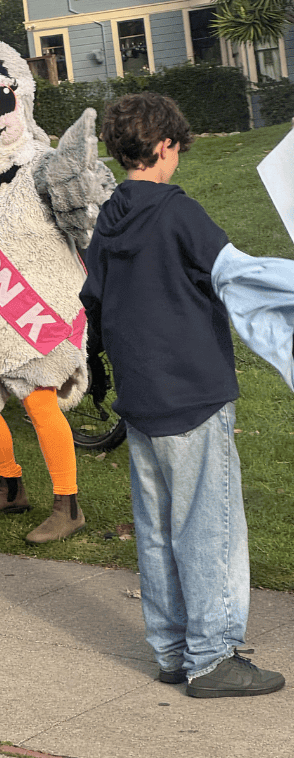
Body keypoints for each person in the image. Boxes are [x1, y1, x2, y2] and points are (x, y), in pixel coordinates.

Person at [80, 92, 285, 699]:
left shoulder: (110, 214)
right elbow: (237, 274)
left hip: (141, 400)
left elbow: (92, 300)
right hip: (191, 395)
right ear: (166, 144)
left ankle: (173, 651)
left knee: (160, 528)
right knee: (208, 528)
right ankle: (214, 657)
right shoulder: (178, 211)